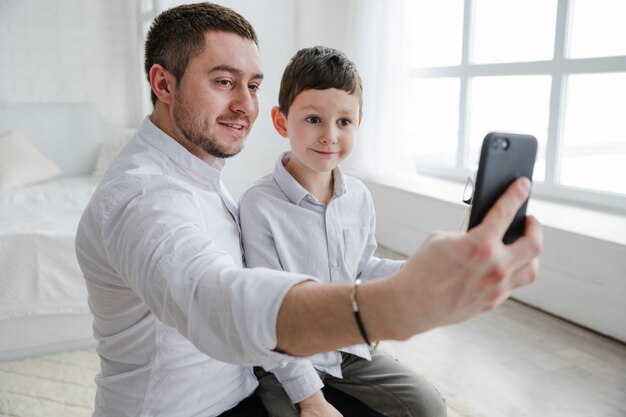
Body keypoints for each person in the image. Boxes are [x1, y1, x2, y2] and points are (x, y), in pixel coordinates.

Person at [75, 3, 542, 417]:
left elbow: (353, 267)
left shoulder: (201, 176)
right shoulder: (142, 196)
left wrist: (424, 272)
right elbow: (215, 301)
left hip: (247, 386)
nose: (245, 106)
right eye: (223, 82)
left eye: (253, 85)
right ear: (164, 84)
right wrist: (393, 306)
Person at [238, 46, 446, 417]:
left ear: (358, 123)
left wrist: (420, 270)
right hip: (285, 360)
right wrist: (312, 401)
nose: (330, 136)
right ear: (282, 121)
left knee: (428, 407)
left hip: (347, 350)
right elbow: (268, 316)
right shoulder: (259, 206)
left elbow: (361, 269)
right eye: (313, 119)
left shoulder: (359, 197)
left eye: (344, 122)